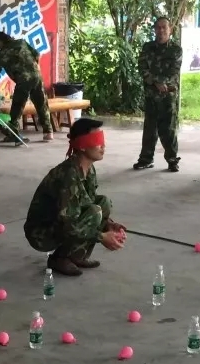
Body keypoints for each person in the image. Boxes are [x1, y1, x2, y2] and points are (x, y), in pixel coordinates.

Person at [24, 118, 126, 276]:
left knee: (103, 203)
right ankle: (59, 258)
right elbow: (68, 222)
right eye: (97, 141)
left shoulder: (88, 169)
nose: (103, 146)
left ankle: (77, 256)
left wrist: (108, 225)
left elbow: (87, 202)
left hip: (61, 222)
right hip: (42, 232)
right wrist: (101, 237)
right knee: (94, 211)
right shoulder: (68, 175)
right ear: (83, 145)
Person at [134, 16, 182, 172]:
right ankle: (146, 159)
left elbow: (174, 71)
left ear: (170, 30)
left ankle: (172, 159)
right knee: (150, 128)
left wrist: (162, 83)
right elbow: (142, 68)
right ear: (154, 30)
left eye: (164, 27)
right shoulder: (147, 47)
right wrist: (156, 82)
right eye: (158, 27)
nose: (161, 30)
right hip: (151, 94)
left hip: (168, 95)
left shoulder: (176, 49)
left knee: (168, 129)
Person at [0, 31, 53, 142]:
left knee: (17, 107)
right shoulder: (21, 42)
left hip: (23, 80)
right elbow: (36, 54)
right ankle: (48, 132)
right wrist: (34, 69)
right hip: (36, 76)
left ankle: (13, 134)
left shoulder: (2, 53)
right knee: (41, 104)